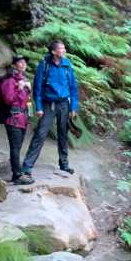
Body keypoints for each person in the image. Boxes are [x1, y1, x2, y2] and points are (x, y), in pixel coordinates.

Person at [23, 39, 79, 175]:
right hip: (49, 105)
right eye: (61, 48)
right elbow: (37, 88)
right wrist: (39, 107)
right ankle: (27, 165)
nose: (64, 51)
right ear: (54, 52)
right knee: (40, 134)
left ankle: (64, 165)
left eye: (64, 48)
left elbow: (73, 87)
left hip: (64, 104)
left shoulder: (67, 65)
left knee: (63, 134)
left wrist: (73, 107)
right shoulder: (44, 65)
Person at [0, 55, 34, 184]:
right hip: (13, 119)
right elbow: (8, 100)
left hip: (22, 118)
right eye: (20, 62)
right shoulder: (9, 81)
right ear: (14, 65)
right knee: (15, 148)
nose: (23, 64)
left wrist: (30, 114)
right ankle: (17, 175)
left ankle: (17, 175)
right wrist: (19, 88)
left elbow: (27, 101)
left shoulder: (23, 80)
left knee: (17, 147)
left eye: (25, 62)